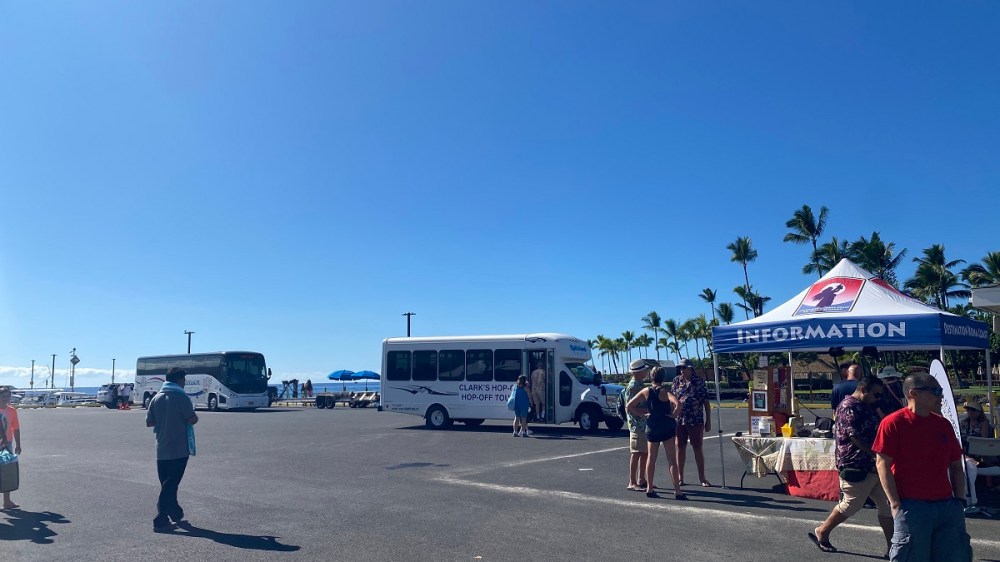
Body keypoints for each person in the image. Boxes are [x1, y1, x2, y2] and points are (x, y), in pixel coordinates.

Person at [873, 373, 972, 561]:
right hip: (912, 505)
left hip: (946, 505)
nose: (940, 396)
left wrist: (959, 500)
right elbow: (882, 464)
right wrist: (895, 503)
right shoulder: (893, 423)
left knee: (954, 555)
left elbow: (956, 465)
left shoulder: (943, 424)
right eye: (935, 391)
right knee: (911, 556)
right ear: (913, 394)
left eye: (941, 391)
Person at [808, 375, 892, 556]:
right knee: (851, 505)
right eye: (876, 395)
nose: (879, 399)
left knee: (887, 505)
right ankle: (822, 531)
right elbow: (855, 436)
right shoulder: (849, 407)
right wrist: (876, 453)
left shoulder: (866, 406)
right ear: (864, 390)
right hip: (856, 463)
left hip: (873, 464)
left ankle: (893, 548)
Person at [146, 368, 198, 532]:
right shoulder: (181, 397)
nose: (184, 382)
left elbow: (149, 422)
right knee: (170, 484)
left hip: (161, 447)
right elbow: (192, 418)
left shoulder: (157, 397)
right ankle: (160, 519)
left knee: (167, 483)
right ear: (178, 379)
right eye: (184, 379)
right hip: (179, 448)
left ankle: (175, 513)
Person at [627, 366, 683, 499]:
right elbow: (678, 404)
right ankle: (677, 490)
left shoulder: (646, 391)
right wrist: (673, 415)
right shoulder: (665, 391)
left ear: (651, 377)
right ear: (663, 378)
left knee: (651, 458)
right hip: (666, 427)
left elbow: (629, 406)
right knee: (671, 460)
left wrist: (643, 413)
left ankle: (649, 488)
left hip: (652, 427)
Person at [672, 358, 712, 487]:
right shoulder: (676, 381)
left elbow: (706, 402)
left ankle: (702, 477)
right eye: (681, 368)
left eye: (684, 368)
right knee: (680, 447)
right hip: (680, 419)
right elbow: (672, 399)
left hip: (695, 419)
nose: (682, 370)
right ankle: (680, 477)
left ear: (690, 368)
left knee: (697, 447)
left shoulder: (699, 382)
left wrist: (708, 420)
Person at [960, 400, 996, 513]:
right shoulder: (964, 422)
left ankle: (989, 484)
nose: (970, 412)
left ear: (979, 412)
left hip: (980, 451)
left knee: (987, 456)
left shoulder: (984, 423)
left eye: (973, 410)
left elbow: (983, 438)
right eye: (968, 410)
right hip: (965, 451)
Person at [624, 359, 652, 492]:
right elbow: (629, 407)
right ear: (639, 372)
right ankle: (632, 481)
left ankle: (641, 479)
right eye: (645, 370)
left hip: (642, 424)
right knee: (636, 452)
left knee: (643, 452)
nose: (646, 372)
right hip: (637, 425)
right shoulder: (634, 386)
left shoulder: (639, 384)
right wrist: (644, 412)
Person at [0, 387, 22, 510]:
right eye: (3, 396)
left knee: (7, 472)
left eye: (7, 396)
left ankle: (7, 502)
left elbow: (16, 428)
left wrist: (18, 444)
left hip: (7, 444)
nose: (5, 399)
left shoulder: (12, 411)